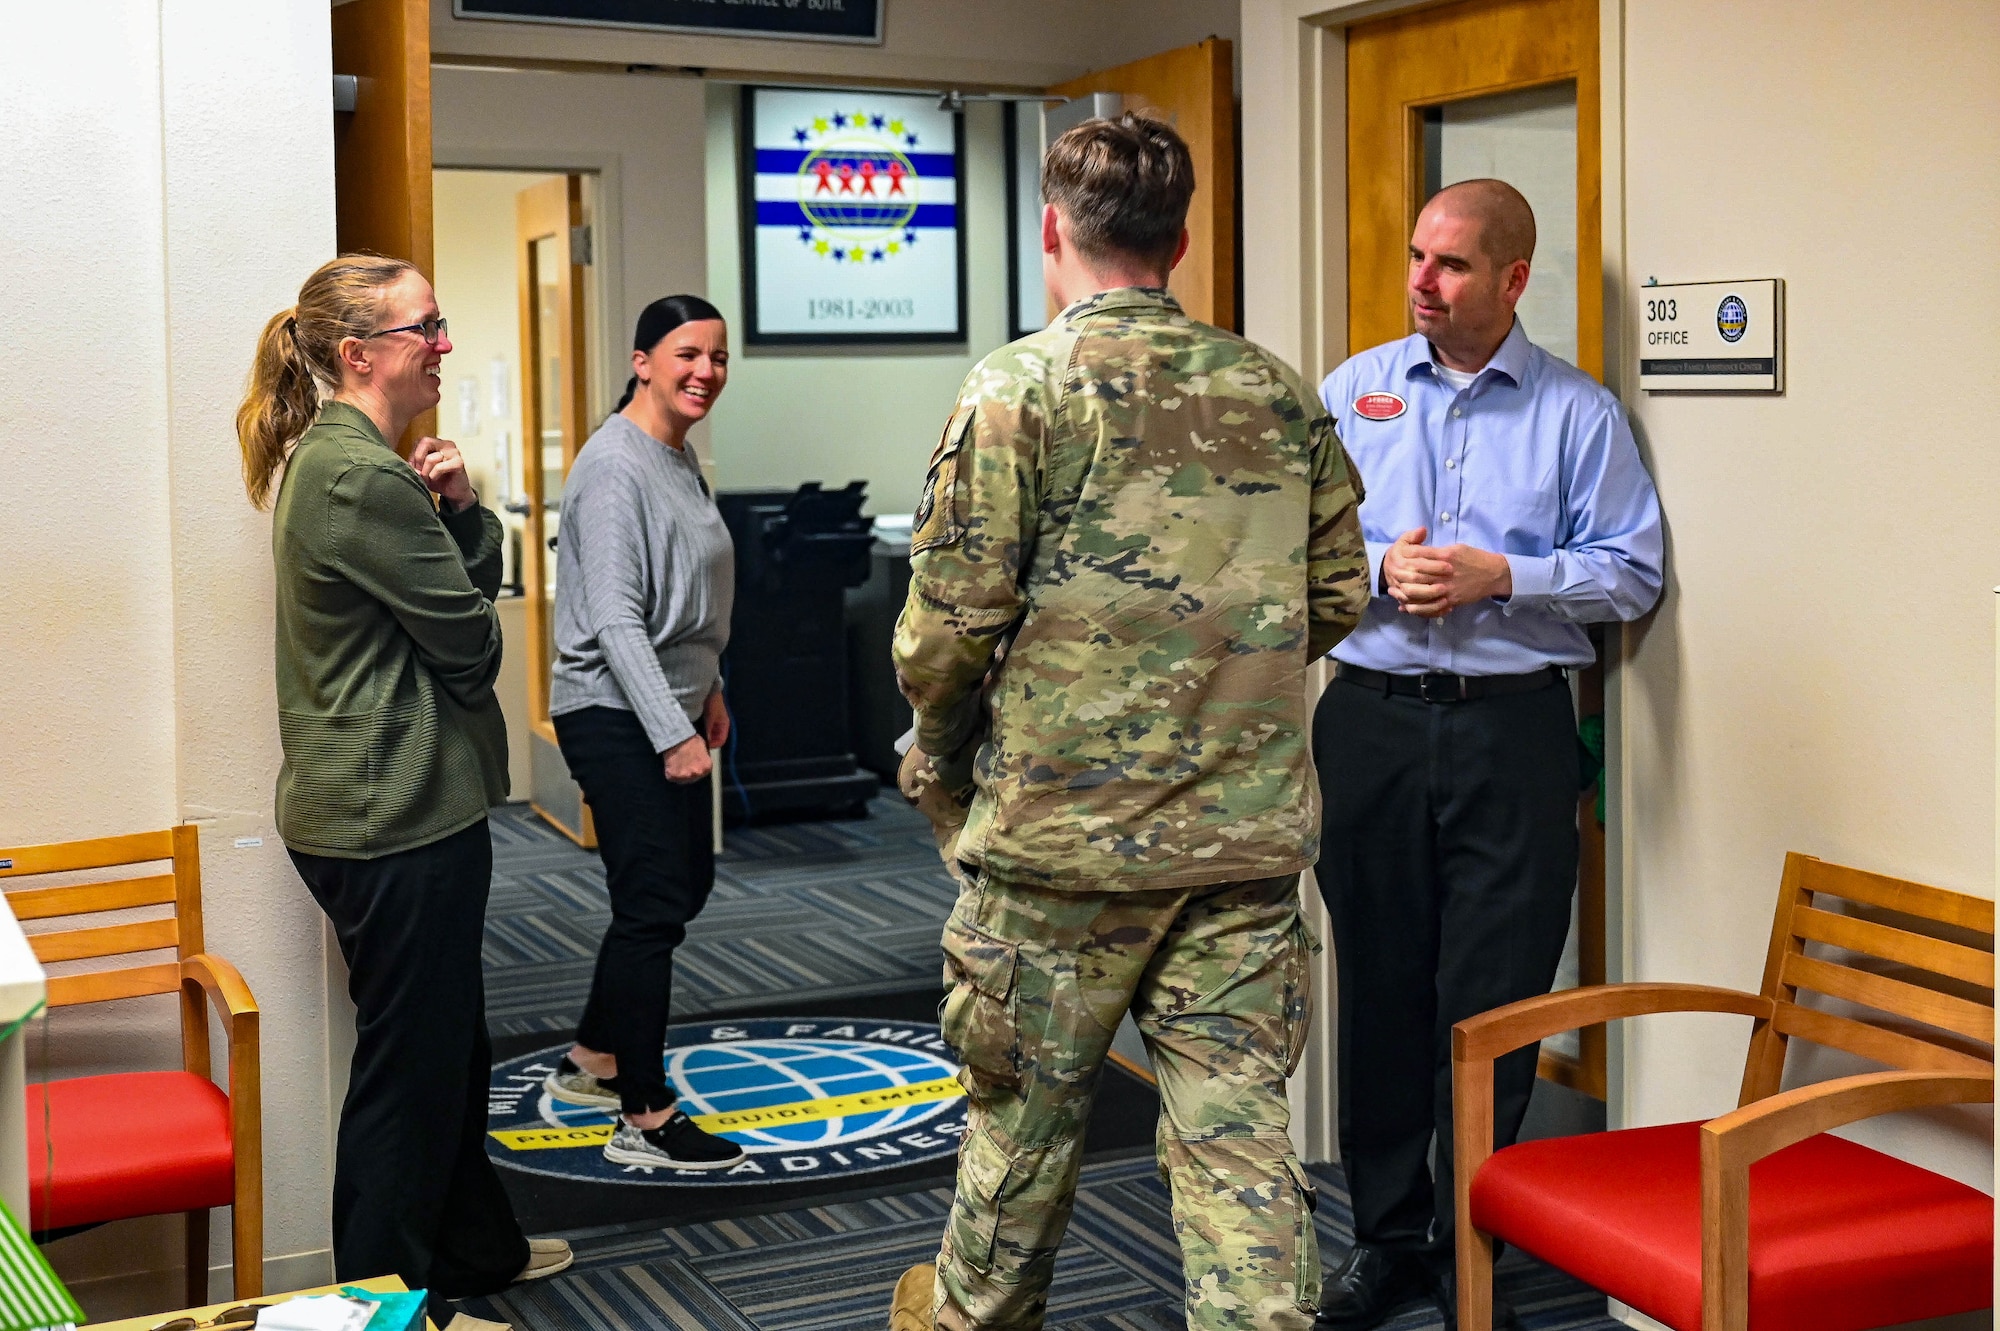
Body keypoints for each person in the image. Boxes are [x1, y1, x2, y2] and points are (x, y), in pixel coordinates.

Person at [888, 113, 1370, 1331]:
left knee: (1023, 1135)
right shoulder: (1273, 388)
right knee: (1239, 1149)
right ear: (1182, 240)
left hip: (1058, 850)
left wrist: (939, 763)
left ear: (1052, 232)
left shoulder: (1020, 386)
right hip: (1240, 847)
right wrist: (1218, 676)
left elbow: (945, 625)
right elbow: (1333, 597)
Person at [1309, 179, 1663, 1329]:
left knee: (1493, 993)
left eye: (1451, 264)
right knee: (1379, 974)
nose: (1421, 280)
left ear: (1513, 279)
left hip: (1509, 726)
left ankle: (1466, 1231)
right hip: (1367, 715)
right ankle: (1379, 1236)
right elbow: (1276, 548)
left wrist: (1502, 573)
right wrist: (1376, 569)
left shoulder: (1575, 413)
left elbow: (1632, 570)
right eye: (1416, 256)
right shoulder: (1350, 390)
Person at [240, 254, 569, 1331]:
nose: (443, 343)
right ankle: (386, 1310)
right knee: (407, 1073)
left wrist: (463, 512)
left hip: (392, 807)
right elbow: (474, 644)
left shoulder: (354, 461)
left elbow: (462, 595)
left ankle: (475, 1249)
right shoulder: (357, 473)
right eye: (425, 325)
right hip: (391, 819)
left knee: (448, 1042)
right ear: (358, 352)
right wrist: (464, 554)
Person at [538, 295, 746, 1172]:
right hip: (614, 710)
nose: (706, 370)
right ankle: (645, 1115)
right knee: (653, 902)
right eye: (687, 354)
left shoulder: (675, 453)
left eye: (719, 356)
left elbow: (684, 601)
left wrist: (711, 687)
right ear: (642, 361)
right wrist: (672, 731)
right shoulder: (616, 465)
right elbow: (619, 622)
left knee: (680, 885)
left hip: (668, 701)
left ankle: (594, 1053)